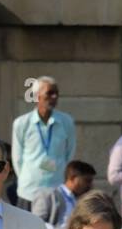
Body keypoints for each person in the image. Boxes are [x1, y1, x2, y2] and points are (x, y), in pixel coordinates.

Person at [11, 77, 76, 209]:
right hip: (29, 191)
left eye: (56, 93)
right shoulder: (22, 123)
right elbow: (17, 158)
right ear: (37, 96)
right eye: (50, 93)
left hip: (56, 189)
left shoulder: (66, 122)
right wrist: (28, 176)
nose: (54, 97)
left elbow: (70, 153)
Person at [31, 160, 95, 229]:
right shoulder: (47, 195)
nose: (90, 185)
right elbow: (37, 224)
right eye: (87, 181)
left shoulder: (82, 200)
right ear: (72, 178)